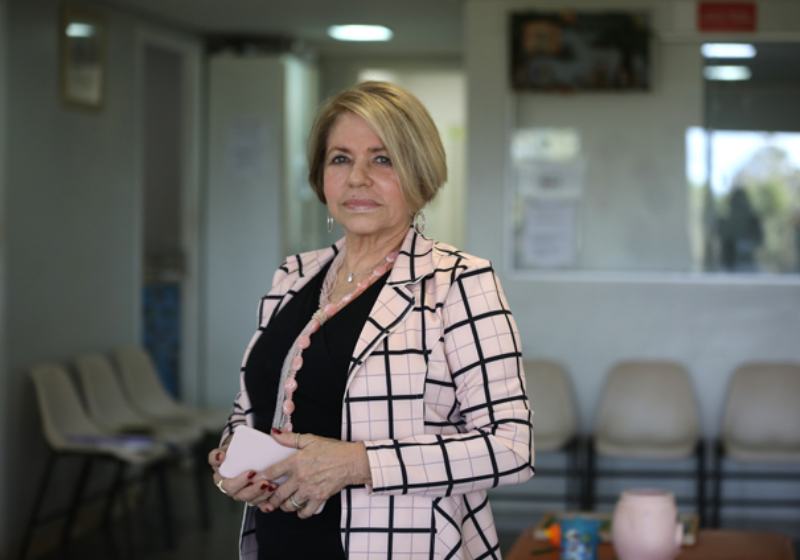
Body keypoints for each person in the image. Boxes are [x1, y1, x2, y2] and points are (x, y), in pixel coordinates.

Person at [208, 81, 534, 560]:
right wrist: (233, 456)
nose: (357, 177)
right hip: (282, 547)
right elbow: (250, 409)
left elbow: (512, 447)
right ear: (321, 176)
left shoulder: (458, 283)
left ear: (419, 173)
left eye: (382, 159)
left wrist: (358, 463)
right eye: (340, 158)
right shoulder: (291, 277)